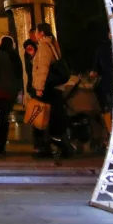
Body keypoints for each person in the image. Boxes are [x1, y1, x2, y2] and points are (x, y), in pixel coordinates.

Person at [31, 22, 73, 159]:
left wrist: (39, 88)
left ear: (41, 33)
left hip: (47, 89)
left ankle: (45, 148)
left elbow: (43, 69)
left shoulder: (43, 46)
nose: (35, 35)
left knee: (41, 119)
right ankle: (61, 145)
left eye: (36, 32)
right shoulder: (53, 44)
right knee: (54, 118)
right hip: (55, 88)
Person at [0, 36, 23, 156]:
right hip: (11, 92)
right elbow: (19, 75)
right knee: (4, 118)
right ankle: (2, 144)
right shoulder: (15, 56)